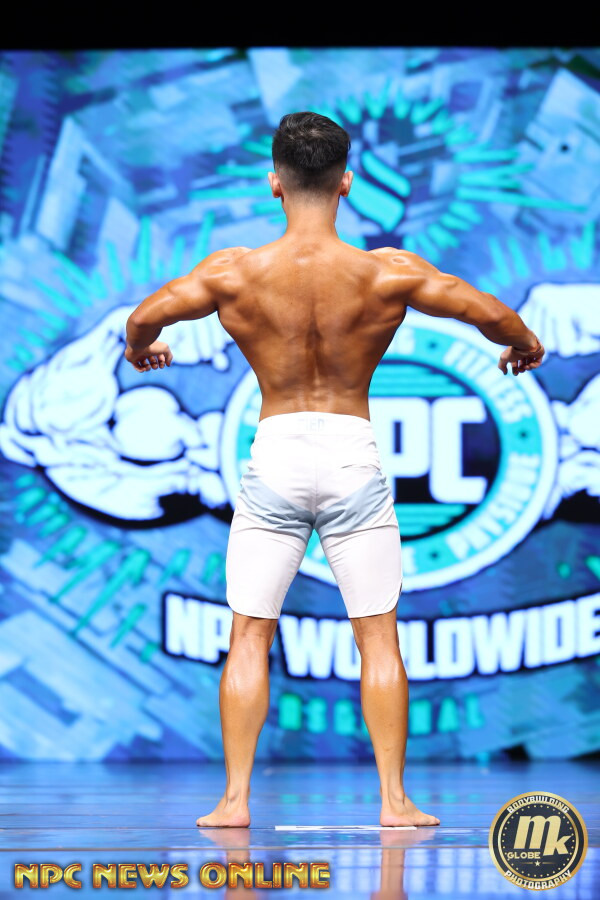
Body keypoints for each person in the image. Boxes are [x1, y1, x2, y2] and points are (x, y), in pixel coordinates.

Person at [124, 112, 545, 828]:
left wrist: (143, 351)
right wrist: (525, 344)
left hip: (276, 455)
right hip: (353, 456)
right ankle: (395, 801)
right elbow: (489, 313)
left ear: (275, 183)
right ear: (346, 181)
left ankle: (234, 801)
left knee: (249, 634)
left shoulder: (233, 272)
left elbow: (144, 318)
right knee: (377, 636)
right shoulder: (387, 273)